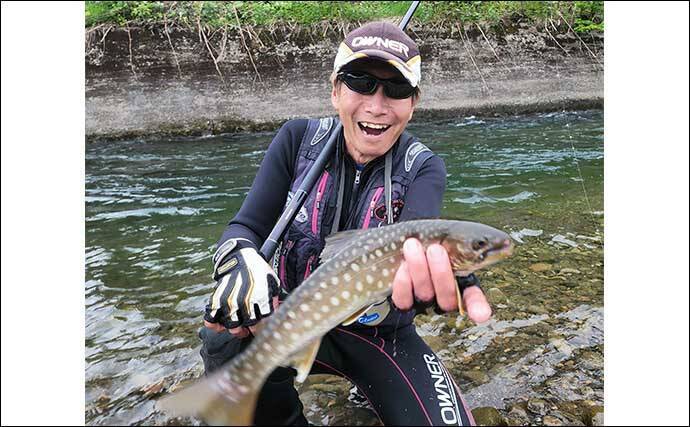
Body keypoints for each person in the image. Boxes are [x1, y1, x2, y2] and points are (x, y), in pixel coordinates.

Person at [201, 21, 492, 426]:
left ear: (413, 103)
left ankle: (368, 386)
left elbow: (420, 241)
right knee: (224, 335)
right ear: (336, 90)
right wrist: (240, 262)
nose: (377, 105)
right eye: (361, 82)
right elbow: (244, 227)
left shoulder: (423, 167)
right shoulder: (296, 139)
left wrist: (454, 276)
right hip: (292, 314)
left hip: (379, 333)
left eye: (397, 89)